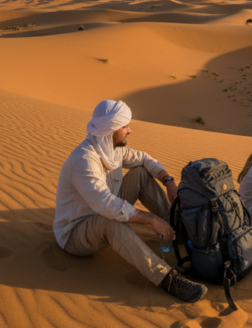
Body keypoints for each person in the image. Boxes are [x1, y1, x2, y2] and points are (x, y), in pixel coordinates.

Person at [54, 100, 207, 303]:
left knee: (140, 173)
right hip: (75, 234)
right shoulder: (85, 160)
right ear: (111, 130)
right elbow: (105, 205)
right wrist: (150, 219)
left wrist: (168, 181)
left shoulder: (111, 149)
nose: (130, 130)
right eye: (125, 126)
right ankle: (167, 278)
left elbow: (144, 159)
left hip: (102, 214)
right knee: (110, 221)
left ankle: (176, 229)